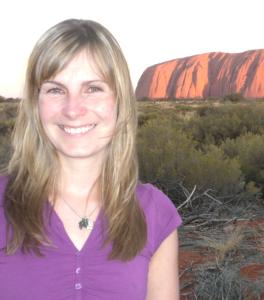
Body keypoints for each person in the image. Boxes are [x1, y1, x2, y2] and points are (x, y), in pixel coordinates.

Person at [0, 19, 182, 300]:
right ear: (36, 104)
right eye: (56, 89)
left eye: (93, 88)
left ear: (119, 101)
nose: (73, 110)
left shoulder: (154, 213)